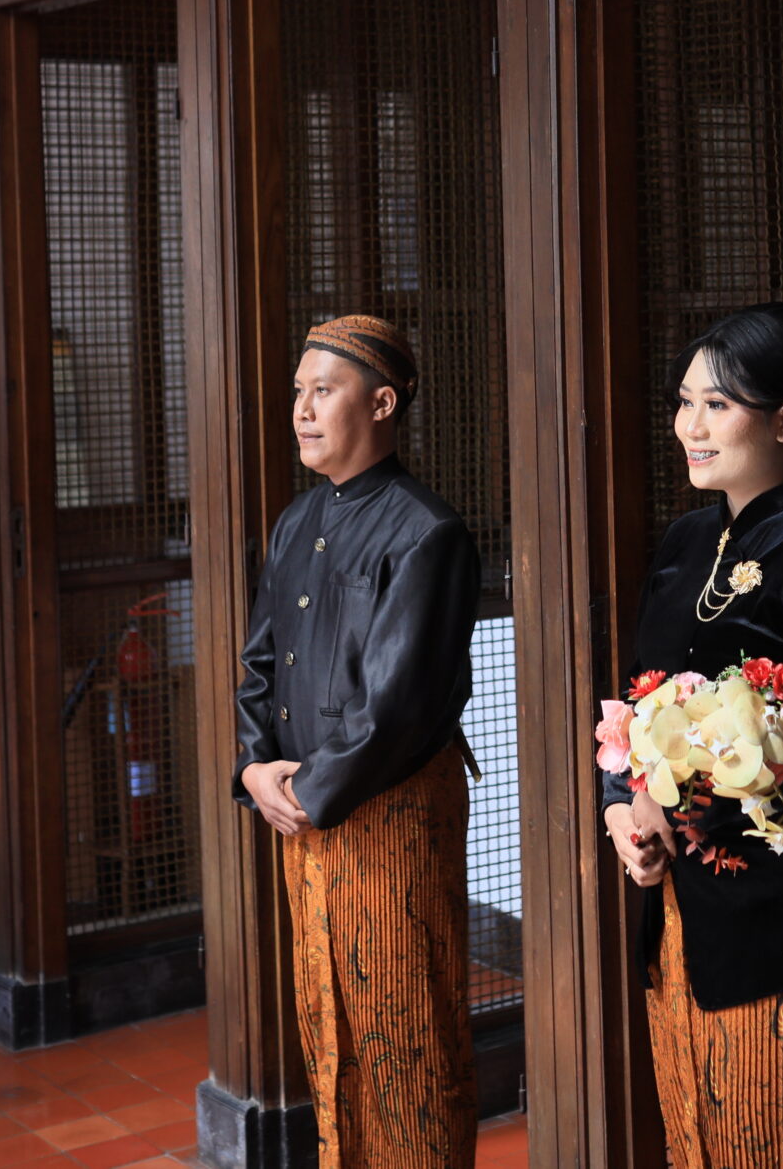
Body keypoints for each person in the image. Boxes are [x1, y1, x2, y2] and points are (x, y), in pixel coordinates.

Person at [600, 302, 783, 1168]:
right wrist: (623, 805)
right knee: (698, 1137)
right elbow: (637, 707)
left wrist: (689, 805)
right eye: (684, 402)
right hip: (682, 916)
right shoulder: (685, 541)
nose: (689, 425)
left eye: (717, 404)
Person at [234, 314, 479, 1168]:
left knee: (407, 1029)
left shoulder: (426, 531)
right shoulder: (295, 521)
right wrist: (254, 766)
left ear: (381, 404)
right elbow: (260, 661)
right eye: (298, 392)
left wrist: (305, 792)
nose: (302, 410)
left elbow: (399, 706)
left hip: (391, 817)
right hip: (302, 815)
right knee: (325, 1015)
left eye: (323, 391)